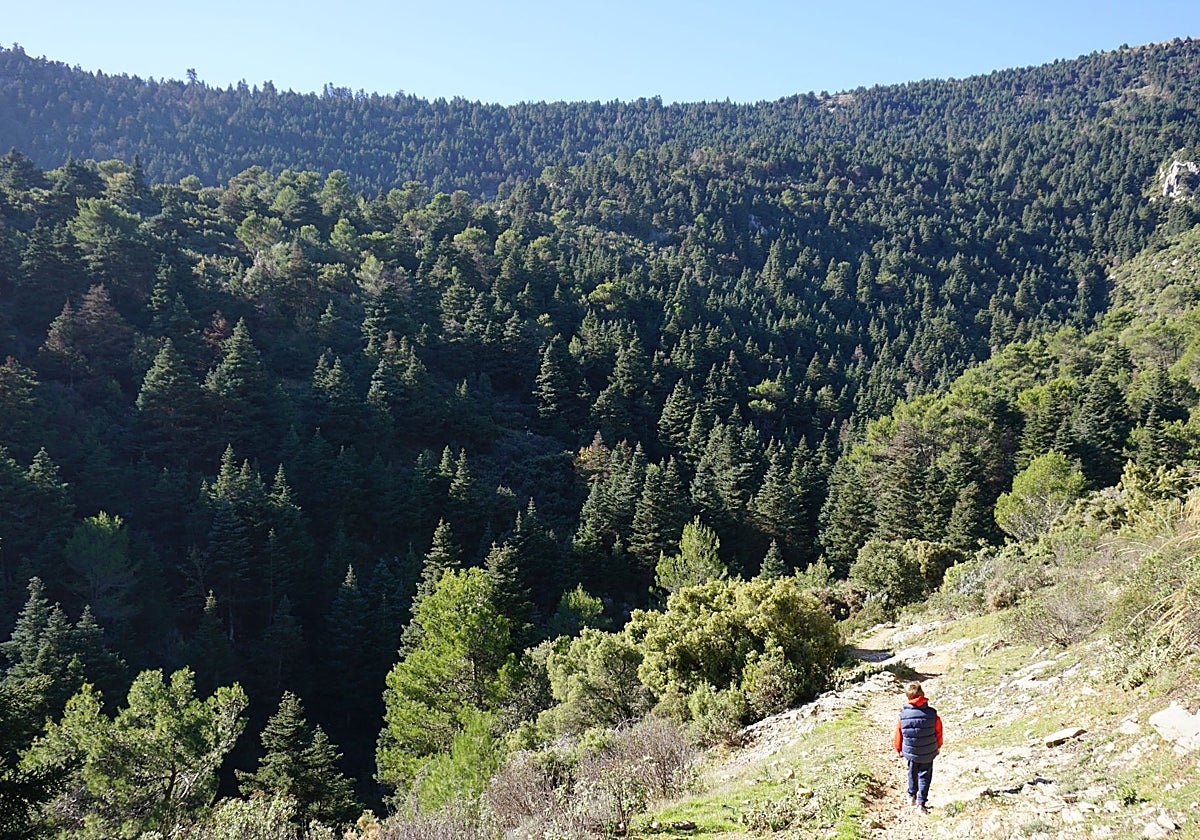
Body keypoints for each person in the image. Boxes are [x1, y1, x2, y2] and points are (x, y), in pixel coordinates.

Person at [893, 680, 942, 813]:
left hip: (911, 751)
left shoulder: (903, 715)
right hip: (928, 751)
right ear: (922, 694)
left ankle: (911, 795)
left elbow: (899, 733)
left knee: (912, 772)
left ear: (908, 697)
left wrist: (898, 748)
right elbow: (939, 731)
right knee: (925, 775)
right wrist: (938, 746)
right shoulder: (932, 713)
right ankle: (921, 803)